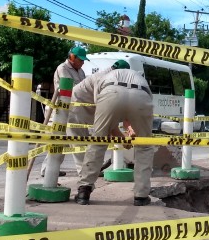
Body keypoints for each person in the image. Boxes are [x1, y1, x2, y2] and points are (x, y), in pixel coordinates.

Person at [75, 63, 154, 206]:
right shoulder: (138, 76)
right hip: (142, 95)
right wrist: (125, 137)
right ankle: (141, 196)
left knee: (98, 141)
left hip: (111, 92)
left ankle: (84, 191)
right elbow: (129, 114)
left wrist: (125, 133)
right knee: (145, 146)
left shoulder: (104, 76)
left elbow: (109, 124)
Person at [66, 60, 127, 174]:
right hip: (75, 109)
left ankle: (91, 169)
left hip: (84, 110)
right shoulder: (102, 79)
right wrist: (120, 137)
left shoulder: (110, 78)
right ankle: (84, 173)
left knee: (90, 140)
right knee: (78, 141)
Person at [41, 45, 89, 177]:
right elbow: (72, 88)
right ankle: (82, 171)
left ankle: (49, 168)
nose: (83, 63)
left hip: (74, 109)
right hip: (62, 109)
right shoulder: (63, 68)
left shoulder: (81, 72)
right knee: (69, 139)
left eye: (84, 60)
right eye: (81, 60)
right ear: (72, 57)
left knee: (61, 141)